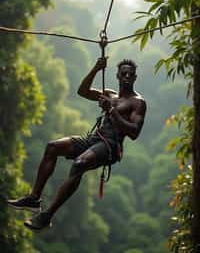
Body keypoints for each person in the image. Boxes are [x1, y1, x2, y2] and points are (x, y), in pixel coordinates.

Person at [7, 57, 147, 231]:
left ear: (135, 78)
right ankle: (34, 198)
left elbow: (134, 132)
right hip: (94, 139)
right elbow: (83, 91)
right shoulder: (110, 95)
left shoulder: (138, 102)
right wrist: (96, 68)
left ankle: (46, 215)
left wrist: (111, 110)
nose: (126, 77)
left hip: (110, 146)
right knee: (53, 146)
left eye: (130, 75)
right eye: (123, 73)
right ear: (117, 75)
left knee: (79, 163)